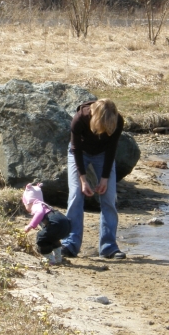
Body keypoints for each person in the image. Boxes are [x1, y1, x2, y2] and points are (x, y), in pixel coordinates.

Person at [61, 98, 126, 259]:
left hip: (103, 155)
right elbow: (75, 149)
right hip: (79, 152)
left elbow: (112, 149)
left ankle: (108, 247)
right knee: (76, 194)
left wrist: (104, 178)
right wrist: (83, 180)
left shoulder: (117, 120)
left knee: (109, 197)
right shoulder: (80, 118)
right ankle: (70, 244)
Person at [22, 183, 71, 265]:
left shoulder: (36, 205)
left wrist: (30, 225)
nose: (25, 207)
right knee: (52, 238)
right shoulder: (45, 205)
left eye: (25, 204)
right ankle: (58, 258)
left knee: (41, 237)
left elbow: (40, 213)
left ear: (29, 201)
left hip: (56, 223)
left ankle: (49, 259)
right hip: (66, 224)